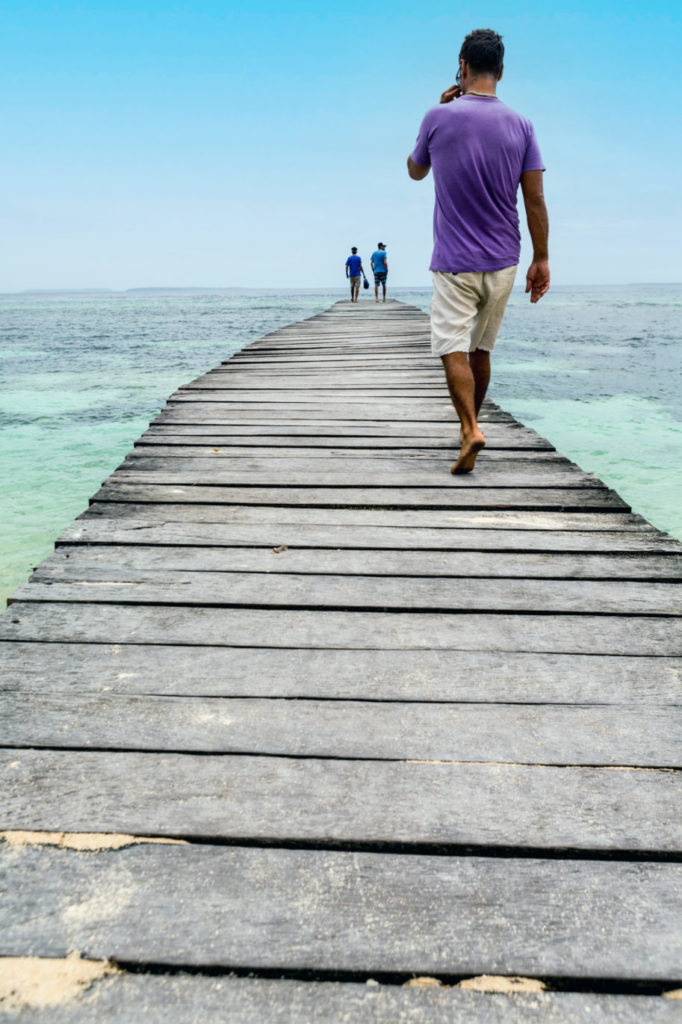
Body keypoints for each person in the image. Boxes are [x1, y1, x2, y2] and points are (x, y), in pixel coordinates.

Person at [407, 28, 550, 473]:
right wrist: (541, 259)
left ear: (462, 67)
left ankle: (469, 428)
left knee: (452, 347)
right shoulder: (522, 124)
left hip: (454, 261)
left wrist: (442, 108)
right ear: (501, 72)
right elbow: (535, 199)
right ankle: (471, 425)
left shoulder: (437, 116)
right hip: (504, 259)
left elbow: (415, 171)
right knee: (481, 350)